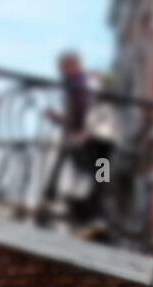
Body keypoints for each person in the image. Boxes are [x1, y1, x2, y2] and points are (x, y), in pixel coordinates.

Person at [41, 51, 114, 237]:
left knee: (99, 176)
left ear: (72, 66)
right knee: (98, 177)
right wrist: (62, 120)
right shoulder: (81, 82)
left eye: (64, 68)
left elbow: (90, 109)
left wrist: (83, 131)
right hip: (99, 138)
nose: (62, 73)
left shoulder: (83, 82)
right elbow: (80, 114)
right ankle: (92, 215)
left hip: (98, 138)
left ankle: (91, 214)